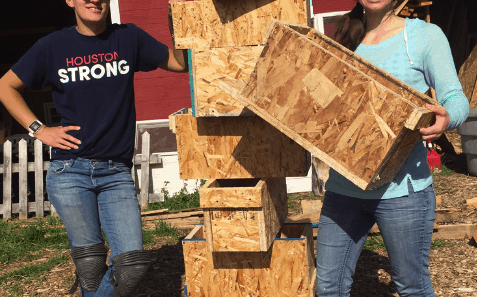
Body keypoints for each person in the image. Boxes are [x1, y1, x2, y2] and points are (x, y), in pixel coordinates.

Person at [0, 0, 187, 296]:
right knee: (90, 269)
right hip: (69, 171)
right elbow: (5, 86)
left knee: (132, 266)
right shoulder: (52, 46)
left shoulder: (128, 37)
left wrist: (180, 29)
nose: (93, 0)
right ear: (70, 1)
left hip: (116, 173)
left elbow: (179, 63)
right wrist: (40, 130)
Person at [315, 0, 469, 296]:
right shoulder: (344, 35)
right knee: (328, 287)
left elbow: (455, 96)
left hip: (403, 192)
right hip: (343, 188)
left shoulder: (423, 35)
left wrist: (447, 118)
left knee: (411, 287)